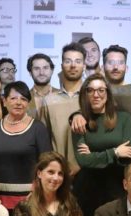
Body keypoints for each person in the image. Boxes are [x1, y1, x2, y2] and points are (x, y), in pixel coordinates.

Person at [73, 74, 131, 216]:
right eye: (90, 90)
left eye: (101, 90)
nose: (96, 95)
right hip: (87, 188)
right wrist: (115, 152)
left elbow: (128, 156)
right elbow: (83, 161)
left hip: (116, 186)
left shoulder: (124, 118)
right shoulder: (79, 122)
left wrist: (94, 155)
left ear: (108, 94)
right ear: (85, 94)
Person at [0, 81, 53, 209]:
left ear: (28, 103)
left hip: (29, 199)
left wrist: (37, 191)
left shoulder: (38, 128)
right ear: (4, 101)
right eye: (13, 98)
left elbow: (46, 163)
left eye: (24, 99)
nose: (18, 102)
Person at [37, 43, 86, 172]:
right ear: (61, 66)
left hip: (88, 171)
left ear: (84, 66)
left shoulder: (94, 98)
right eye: (68, 61)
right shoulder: (48, 100)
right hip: (58, 173)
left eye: (78, 61)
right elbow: (43, 140)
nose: (73, 65)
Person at [26, 53, 60, 117]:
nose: (41, 73)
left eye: (45, 68)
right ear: (30, 72)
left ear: (52, 71)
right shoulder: (24, 98)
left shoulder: (63, 96)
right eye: (36, 69)